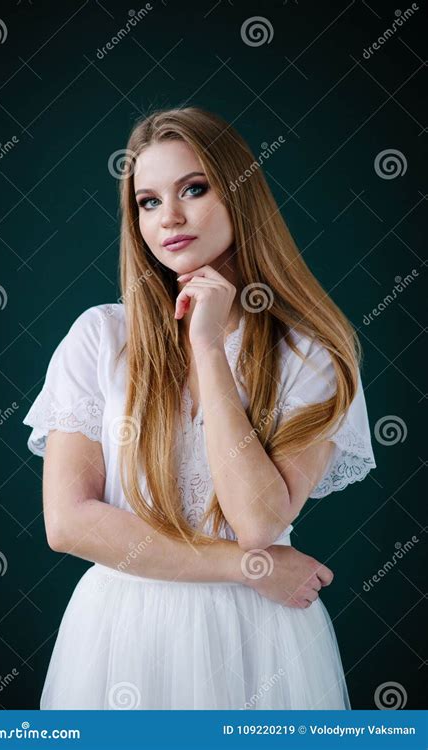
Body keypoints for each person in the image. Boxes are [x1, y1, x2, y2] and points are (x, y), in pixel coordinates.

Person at [23, 106, 377, 710]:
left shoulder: (312, 353)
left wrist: (208, 348)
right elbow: (69, 523)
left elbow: (259, 522)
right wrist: (255, 569)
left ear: (240, 194)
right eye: (148, 201)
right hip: (121, 630)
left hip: (259, 639)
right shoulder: (100, 337)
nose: (171, 218)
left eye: (194, 188)